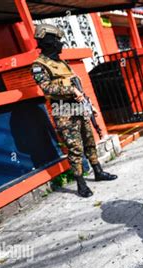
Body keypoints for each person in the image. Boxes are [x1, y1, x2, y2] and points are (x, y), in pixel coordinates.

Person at [31, 24, 117, 198]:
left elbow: (77, 86)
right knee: (75, 148)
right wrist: (70, 91)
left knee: (89, 140)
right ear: (47, 40)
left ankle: (98, 171)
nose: (59, 43)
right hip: (64, 110)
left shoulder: (62, 63)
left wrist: (89, 104)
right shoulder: (39, 65)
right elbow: (47, 89)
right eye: (56, 40)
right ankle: (81, 183)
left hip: (79, 106)